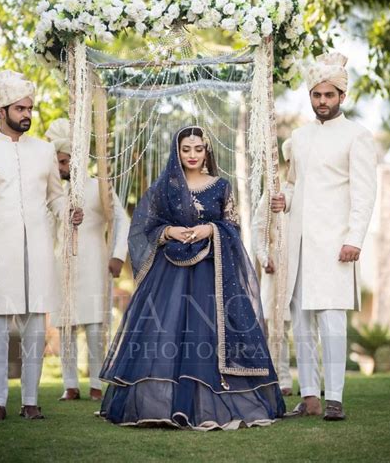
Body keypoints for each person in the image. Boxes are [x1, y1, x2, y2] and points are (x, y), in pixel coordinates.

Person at [98, 126, 285, 430]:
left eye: (198, 149)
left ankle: (212, 405)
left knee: (206, 335)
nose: (193, 155)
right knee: (166, 335)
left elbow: (233, 227)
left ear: (206, 150)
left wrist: (210, 229)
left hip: (211, 273)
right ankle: (161, 404)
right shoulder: (166, 187)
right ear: (177, 151)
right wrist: (168, 231)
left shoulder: (221, 186)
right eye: (186, 149)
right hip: (169, 274)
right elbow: (144, 227)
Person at [0, 71, 83, 422]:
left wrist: (68, 213)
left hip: (38, 253)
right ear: (1, 111)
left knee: (35, 329)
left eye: (30, 108)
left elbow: (55, 200)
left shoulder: (45, 152)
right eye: (20, 108)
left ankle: (30, 402)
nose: (27, 114)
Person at [271, 52, 377, 421]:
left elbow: (365, 194)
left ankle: (335, 398)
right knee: (301, 321)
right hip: (300, 243)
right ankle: (310, 397)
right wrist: (283, 198)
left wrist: (355, 239)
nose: (322, 102)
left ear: (341, 97)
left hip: (336, 244)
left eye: (329, 95)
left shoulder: (358, 136)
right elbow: (294, 183)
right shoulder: (298, 138)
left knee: (332, 321)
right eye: (316, 95)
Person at [45, 118, 130, 402]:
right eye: (57, 162)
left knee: (94, 326)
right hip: (61, 265)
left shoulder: (99, 186)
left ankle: (96, 383)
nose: (60, 168)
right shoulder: (53, 192)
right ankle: (70, 385)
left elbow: (122, 219)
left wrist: (117, 256)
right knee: (65, 325)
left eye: (64, 161)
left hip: (95, 261)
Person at [253, 138, 293, 396]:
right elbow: (258, 227)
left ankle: (310, 382)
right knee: (276, 324)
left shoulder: (313, 190)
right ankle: (281, 378)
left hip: (305, 267)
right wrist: (264, 256)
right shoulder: (273, 192)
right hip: (277, 266)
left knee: (298, 323)